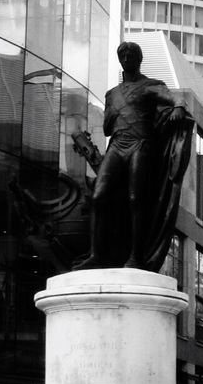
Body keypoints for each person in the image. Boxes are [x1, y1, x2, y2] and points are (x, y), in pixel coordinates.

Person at [74, 40, 192, 271]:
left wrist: (178, 108)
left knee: (136, 199)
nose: (126, 59)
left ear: (138, 60)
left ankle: (136, 257)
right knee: (99, 196)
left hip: (141, 144)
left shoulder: (151, 85)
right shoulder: (112, 94)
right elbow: (108, 128)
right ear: (120, 60)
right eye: (123, 56)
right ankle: (96, 255)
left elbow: (176, 99)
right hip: (117, 144)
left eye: (131, 56)